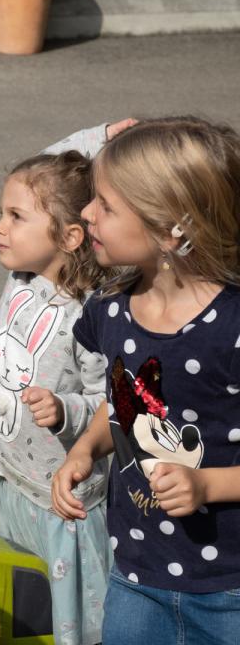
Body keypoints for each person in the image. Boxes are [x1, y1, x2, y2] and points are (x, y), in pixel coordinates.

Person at [52, 117, 240, 645]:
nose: (87, 213)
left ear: (170, 228)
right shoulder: (111, 308)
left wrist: (208, 485)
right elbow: (122, 401)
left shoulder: (232, 329)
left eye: (106, 206)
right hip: (136, 572)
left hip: (229, 588)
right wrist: (85, 449)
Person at [0, 120, 133, 645]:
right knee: (28, 594)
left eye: (16, 216)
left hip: (63, 498)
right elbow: (43, 166)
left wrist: (66, 410)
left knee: (75, 616)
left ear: (70, 236)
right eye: (3, 212)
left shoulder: (91, 314)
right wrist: (101, 134)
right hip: (14, 475)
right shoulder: (20, 275)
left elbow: (110, 400)